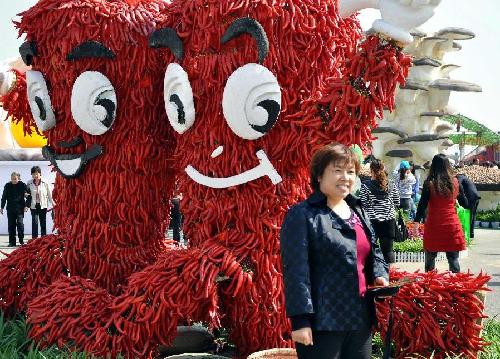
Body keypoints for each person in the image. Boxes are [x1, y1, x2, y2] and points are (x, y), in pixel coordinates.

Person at [280, 143, 389, 359]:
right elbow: (296, 272)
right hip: (323, 322)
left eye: (350, 172)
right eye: (337, 170)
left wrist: (380, 273)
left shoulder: (358, 210)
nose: (345, 177)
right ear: (319, 175)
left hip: (360, 317)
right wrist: (300, 321)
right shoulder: (302, 215)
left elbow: (373, 249)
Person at [414, 154, 468, 273]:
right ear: (447, 165)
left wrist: (416, 223)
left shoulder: (430, 183)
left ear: (433, 166)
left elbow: (422, 204)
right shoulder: (455, 181)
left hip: (434, 225)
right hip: (451, 224)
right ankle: (456, 287)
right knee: (453, 259)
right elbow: (465, 203)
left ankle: (430, 287)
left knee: (430, 261)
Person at [360, 159, 400, 267]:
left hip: (372, 220)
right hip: (389, 220)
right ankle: (391, 275)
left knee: (370, 249)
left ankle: (373, 274)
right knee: (388, 250)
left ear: (371, 170)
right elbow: (397, 201)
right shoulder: (390, 184)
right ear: (383, 169)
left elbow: (364, 204)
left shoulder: (365, 185)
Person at [26, 166, 54, 239]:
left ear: (40, 173)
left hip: (43, 205)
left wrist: (53, 203)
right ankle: (34, 239)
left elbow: (49, 194)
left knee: (43, 222)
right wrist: (25, 196)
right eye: (33, 174)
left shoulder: (45, 182)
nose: (35, 175)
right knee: (34, 223)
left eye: (36, 173)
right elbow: (26, 194)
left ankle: (43, 239)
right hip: (33, 205)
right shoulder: (29, 183)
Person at [1, 172, 28, 246]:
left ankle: (21, 241)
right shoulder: (7, 185)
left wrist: (26, 206)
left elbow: (28, 196)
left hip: (20, 209)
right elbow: (4, 197)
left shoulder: (22, 185)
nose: (13, 180)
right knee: (11, 226)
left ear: (18, 178)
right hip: (10, 209)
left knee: (20, 224)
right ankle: (12, 242)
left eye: (15, 179)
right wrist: (2, 207)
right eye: (12, 179)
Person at [456, 173, 481, 239]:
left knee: (469, 215)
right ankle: (471, 233)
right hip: (476, 197)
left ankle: (467, 235)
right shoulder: (467, 179)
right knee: (473, 215)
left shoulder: (459, 177)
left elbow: (459, 185)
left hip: (471, 197)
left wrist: (461, 197)